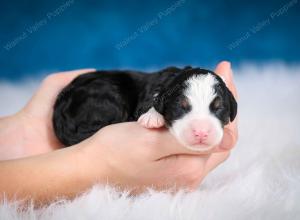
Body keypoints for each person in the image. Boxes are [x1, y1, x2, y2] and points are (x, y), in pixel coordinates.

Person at [0, 61, 238, 204]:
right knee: (108, 98)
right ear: (164, 101)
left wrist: (26, 132)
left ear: (230, 109)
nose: (201, 129)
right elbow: (146, 108)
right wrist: (91, 164)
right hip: (91, 99)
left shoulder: (175, 89)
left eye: (216, 111)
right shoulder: (160, 93)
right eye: (182, 110)